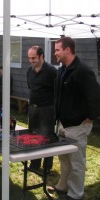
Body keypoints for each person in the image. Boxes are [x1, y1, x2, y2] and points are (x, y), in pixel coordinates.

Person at [49, 37, 100, 200]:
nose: (55, 52)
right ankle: (64, 186)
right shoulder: (62, 69)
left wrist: (91, 117)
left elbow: (95, 97)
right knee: (64, 158)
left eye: (57, 49)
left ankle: (76, 193)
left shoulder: (83, 71)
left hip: (77, 125)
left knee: (77, 161)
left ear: (67, 50)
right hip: (62, 123)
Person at [27, 46, 57, 174]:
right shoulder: (29, 70)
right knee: (33, 137)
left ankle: (47, 167)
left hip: (47, 110)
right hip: (33, 109)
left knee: (47, 137)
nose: (31, 60)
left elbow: (57, 91)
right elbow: (30, 87)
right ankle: (34, 164)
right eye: (29, 58)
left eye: (34, 58)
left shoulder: (51, 71)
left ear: (41, 56)